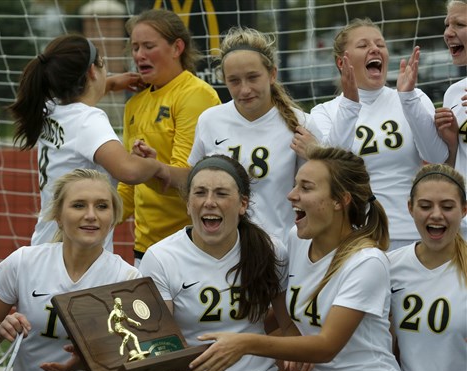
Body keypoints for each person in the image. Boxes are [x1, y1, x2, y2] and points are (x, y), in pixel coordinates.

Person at [188, 146, 416, 371]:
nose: (291, 195)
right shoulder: (296, 241)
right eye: (295, 184)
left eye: (306, 187)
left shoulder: (366, 261)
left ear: (340, 200)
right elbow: (284, 319)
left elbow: (325, 346)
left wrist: (241, 344)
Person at [0, 169, 142, 371]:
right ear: (58, 215)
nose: (91, 215)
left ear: (113, 216)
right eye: (79, 205)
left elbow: (143, 359)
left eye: (102, 206)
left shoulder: (127, 279)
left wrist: (94, 364)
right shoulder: (24, 264)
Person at [138, 155, 287, 371]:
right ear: (188, 201)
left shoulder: (271, 250)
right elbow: (158, 345)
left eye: (221, 193)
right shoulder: (160, 258)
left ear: (243, 204)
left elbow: (288, 326)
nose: (209, 202)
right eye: (200, 192)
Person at [9, 33, 170, 246]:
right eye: (103, 64)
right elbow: (129, 170)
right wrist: (157, 167)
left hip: (46, 242)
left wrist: (110, 84)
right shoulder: (89, 120)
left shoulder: (50, 108)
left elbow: (79, 102)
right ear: (92, 71)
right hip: (78, 251)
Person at [311, 18, 450, 250]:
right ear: (341, 61)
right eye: (363, 45)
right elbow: (334, 169)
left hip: (413, 232)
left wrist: (408, 99)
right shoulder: (324, 111)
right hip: (357, 235)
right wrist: (349, 103)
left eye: (380, 44)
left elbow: (437, 158)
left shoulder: (411, 97)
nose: (374, 49)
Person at [188, 26, 322, 243]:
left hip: (280, 251)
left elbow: (322, 189)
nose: (245, 89)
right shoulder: (209, 121)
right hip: (224, 249)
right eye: (234, 81)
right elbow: (194, 182)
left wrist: (316, 153)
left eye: (253, 77)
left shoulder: (300, 124)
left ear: (272, 74)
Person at [118, 8, 221, 264]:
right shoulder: (134, 104)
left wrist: (151, 168)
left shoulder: (196, 95)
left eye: (149, 46)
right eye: (135, 47)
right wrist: (97, 214)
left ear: (176, 48)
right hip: (145, 248)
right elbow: (128, 187)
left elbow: (188, 177)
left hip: (189, 246)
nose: (139, 55)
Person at [389, 163, 467, 371]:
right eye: (425, 205)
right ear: (409, 208)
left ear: (464, 210)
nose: (436, 215)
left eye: (447, 206)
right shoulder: (388, 268)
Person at [435, 0, 467, 238]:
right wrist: (452, 144)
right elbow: (454, 166)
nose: (448, 32)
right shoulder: (454, 93)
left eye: (460, 24)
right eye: (447, 24)